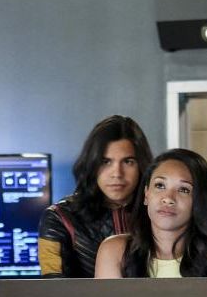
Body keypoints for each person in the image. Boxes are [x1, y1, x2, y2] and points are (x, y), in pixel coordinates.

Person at [94, 148, 207, 279]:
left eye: (184, 190)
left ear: (199, 201)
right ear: (146, 195)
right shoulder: (114, 251)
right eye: (160, 185)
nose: (168, 199)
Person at [39, 115, 154, 277]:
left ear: (141, 165)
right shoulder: (59, 218)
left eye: (128, 161)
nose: (117, 173)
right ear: (92, 164)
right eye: (106, 162)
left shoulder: (160, 212)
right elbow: (54, 288)